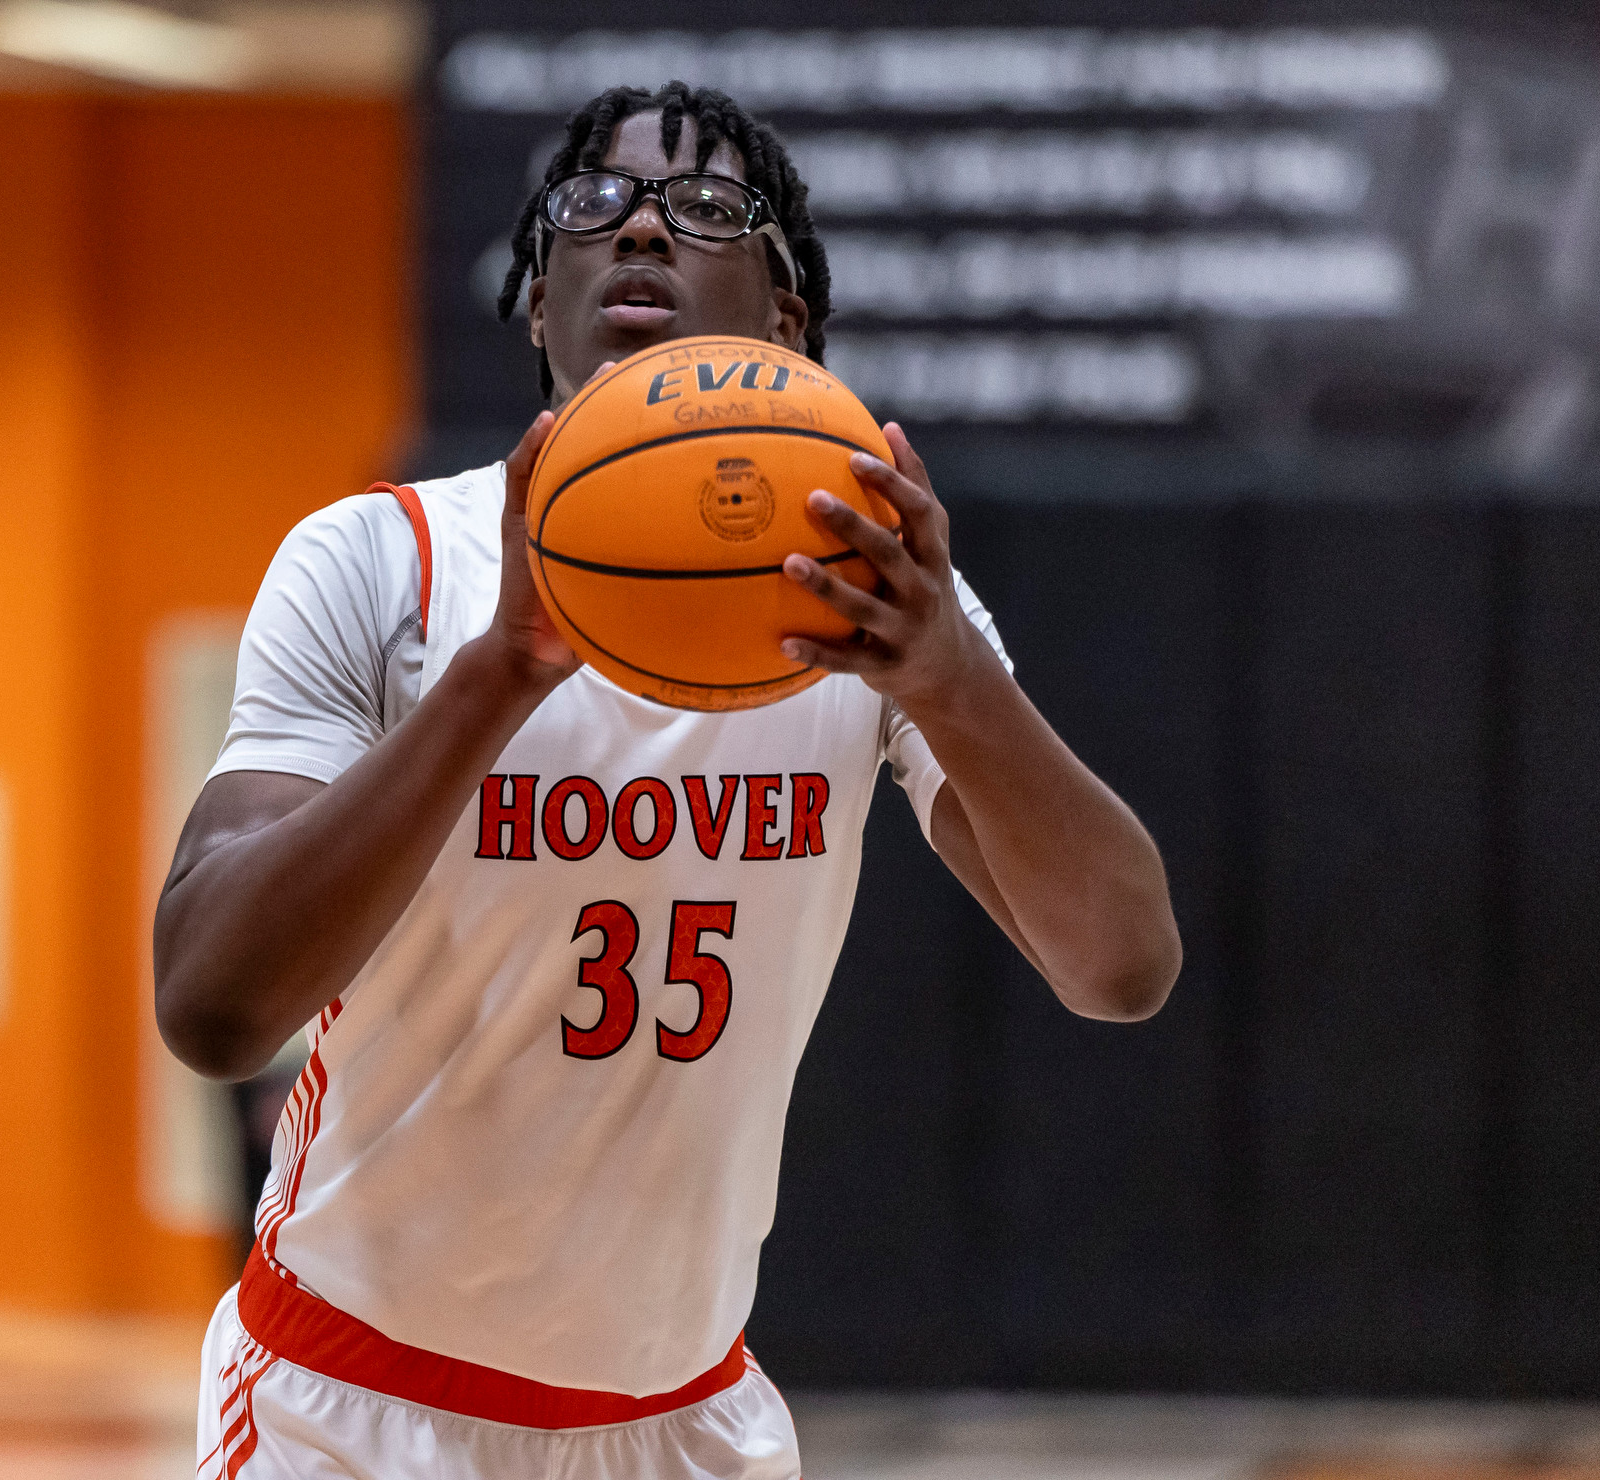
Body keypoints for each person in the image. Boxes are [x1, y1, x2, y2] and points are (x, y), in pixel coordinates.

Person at [156, 80, 1181, 1480]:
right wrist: (499, 673)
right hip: (349, 1406)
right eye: (593, 204)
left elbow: (1120, 964)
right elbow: (212, 1006)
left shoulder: (871, 608)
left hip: (681, 1418)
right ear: (539, 305)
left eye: (705, 206)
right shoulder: (378, 561)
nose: (640, 227)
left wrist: (953, 677)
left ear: (784, 321)